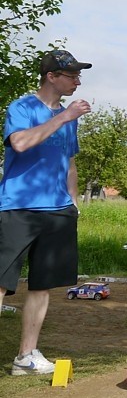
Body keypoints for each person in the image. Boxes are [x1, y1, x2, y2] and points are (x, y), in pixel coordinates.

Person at [0, 49, 92, 375]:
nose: (78, 82)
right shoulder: (22, 107)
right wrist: (63, 118)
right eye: (72, 75)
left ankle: (25, 357)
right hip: (18, 207)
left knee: (42, 285)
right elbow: (20, 143)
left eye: (79, 76)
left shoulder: (68, 118)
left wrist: (73, 201)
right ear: (51, 76)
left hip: (58, 212)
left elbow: (70, 162)